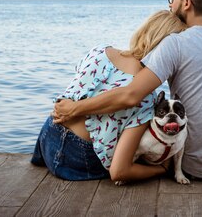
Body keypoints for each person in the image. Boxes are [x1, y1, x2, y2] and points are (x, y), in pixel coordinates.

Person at [54, 0, 202, 180]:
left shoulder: (175, 44)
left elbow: (131, 95)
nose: (170, 4)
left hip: (191, 167)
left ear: (186, 3)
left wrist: (74, 108)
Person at [31, 10, 187, 181]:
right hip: (80, 158)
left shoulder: (100, 51)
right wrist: (162, 169)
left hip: (49, 134)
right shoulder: (146, 97)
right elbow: (119, 172)